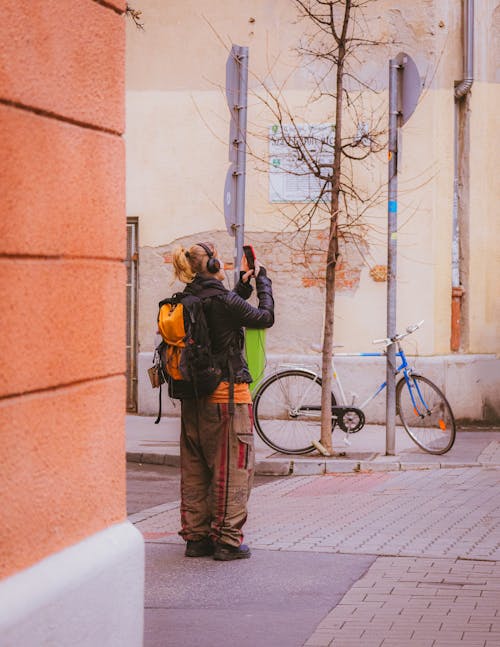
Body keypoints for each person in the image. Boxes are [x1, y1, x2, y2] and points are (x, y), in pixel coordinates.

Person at [171, 241, 274, 561]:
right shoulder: (223, 301)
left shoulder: (186, 299)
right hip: (227, 398)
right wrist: (263, 282)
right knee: (233, 468)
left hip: (193, 399)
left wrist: (241, 289)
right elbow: (264, 317)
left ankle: (196, 538)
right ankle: (227, 541)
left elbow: (222, 314)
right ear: (214, 265)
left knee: (195, 469)